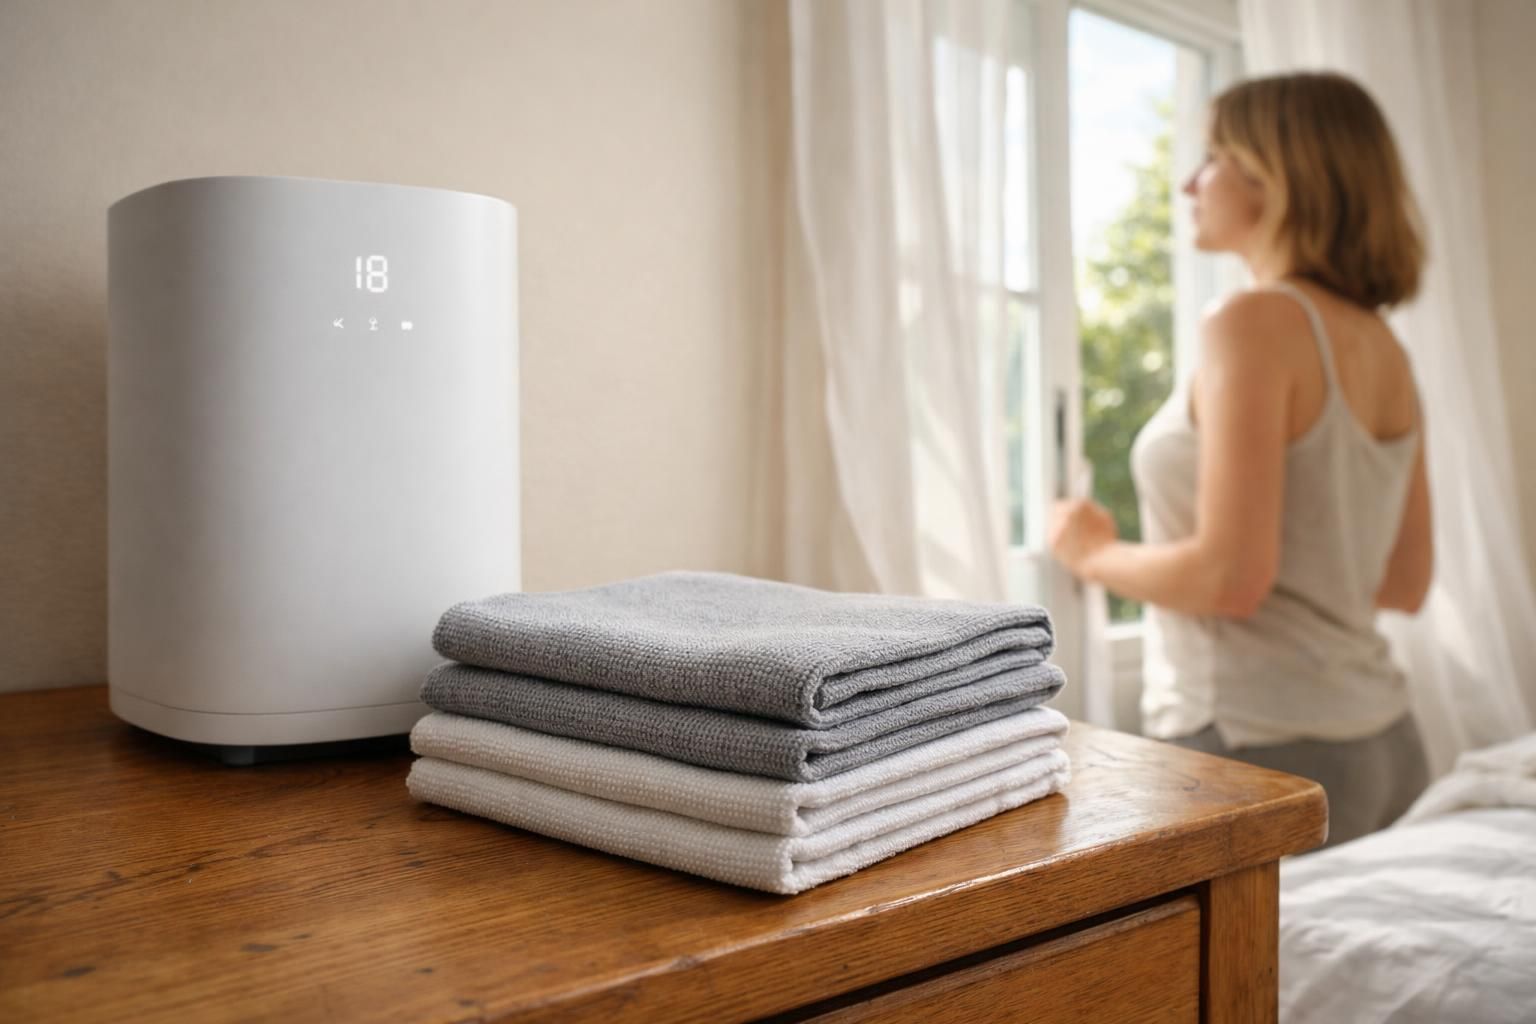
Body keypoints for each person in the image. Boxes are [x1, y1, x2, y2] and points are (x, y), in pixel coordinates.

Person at [1047, 71, 1432, 849]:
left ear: (1277, 174)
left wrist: (1092, 553)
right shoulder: (1385, 345)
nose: (1190, 182)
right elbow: (1405, 582)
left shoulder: (1252, 321)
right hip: (1386, 743)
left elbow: (1231, 579)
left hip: (1265, 749)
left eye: (1214, 157)